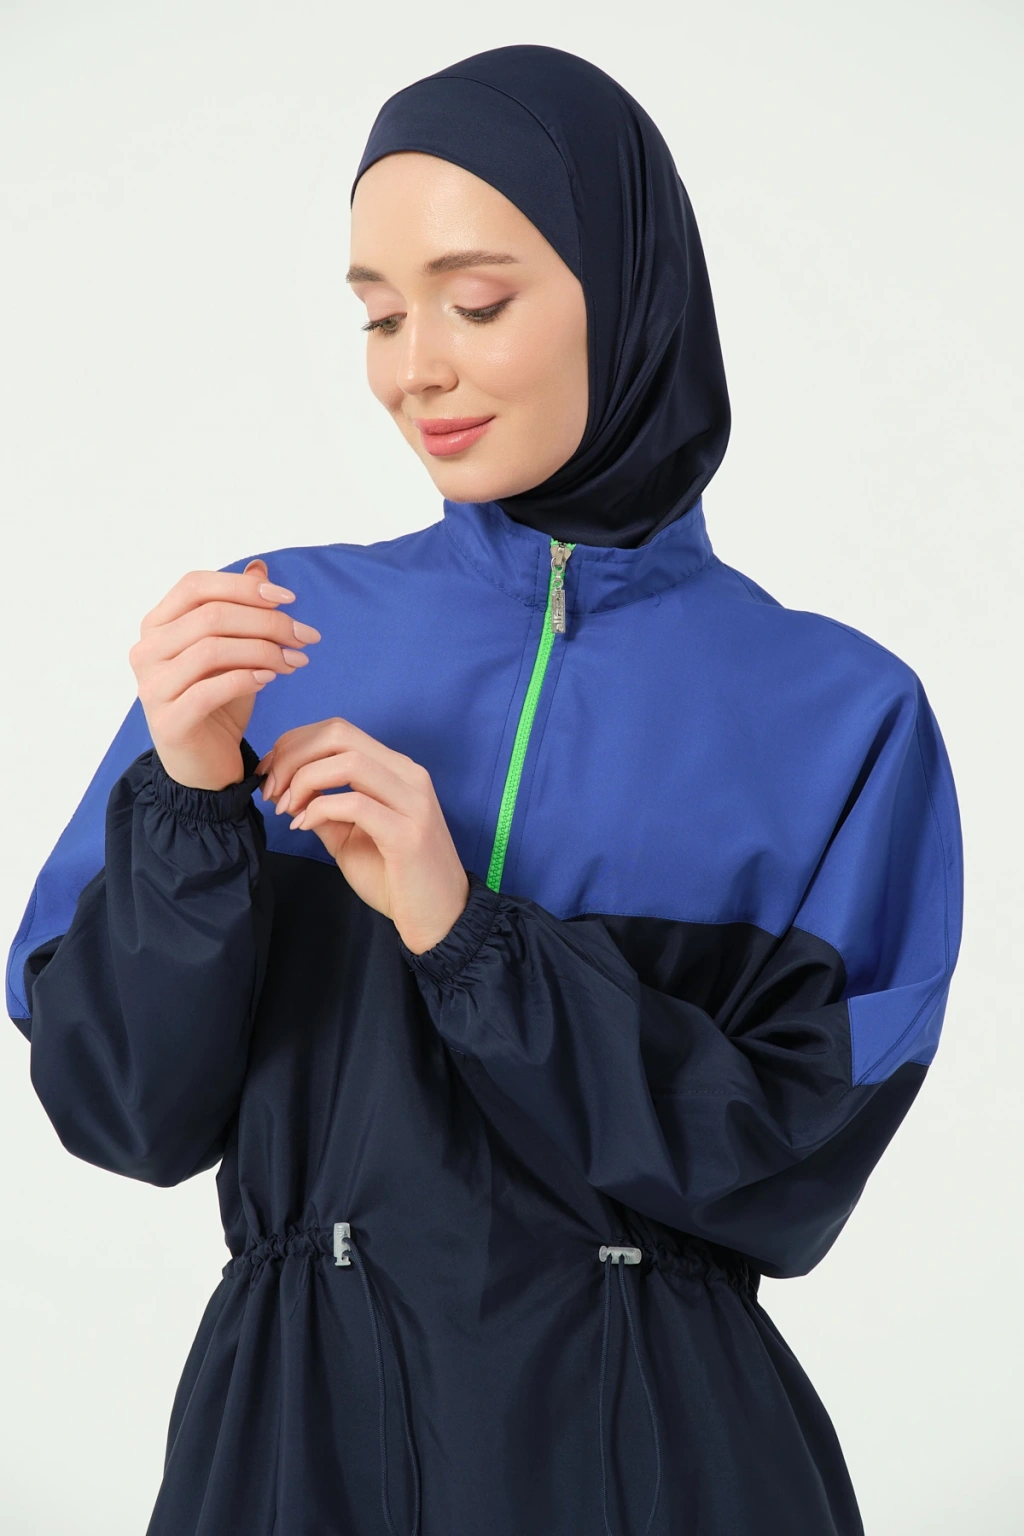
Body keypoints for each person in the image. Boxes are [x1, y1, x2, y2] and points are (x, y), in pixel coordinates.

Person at [5, 43, 963, 1536]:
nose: (415, 370)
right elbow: (124, 1114)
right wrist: (193, 800)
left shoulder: (840, 717)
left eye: (476, 302)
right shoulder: (265, 644)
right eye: (380, 315)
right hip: (300, 1460)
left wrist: (469, 939)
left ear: (626, 295)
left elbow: (786, 1180)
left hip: (664, 1471)